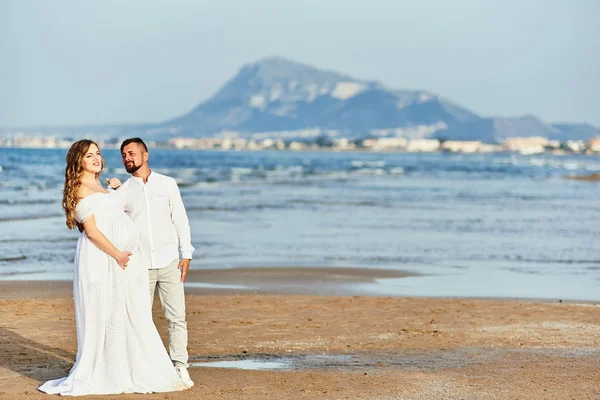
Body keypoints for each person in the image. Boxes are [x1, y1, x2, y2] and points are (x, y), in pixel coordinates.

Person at [38, 140, 190, 396]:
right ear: (79, 161)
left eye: (97, 153)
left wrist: (114, 192)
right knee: (103, 313)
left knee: (120, 313)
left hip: (118, 259)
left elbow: (115, 215)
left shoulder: (104, 186)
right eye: (89, 155)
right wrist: (118, 254)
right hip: (99, 258)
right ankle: (104, 368)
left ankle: (127, 364)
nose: (96, 158)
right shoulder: (78, 188)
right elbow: (93, 232)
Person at [107, 137, 195, 387]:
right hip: (139, 266)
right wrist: (111, 192)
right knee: (139, 319)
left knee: (177, 316)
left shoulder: (167, 184)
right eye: (123, 155)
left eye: (132, 153)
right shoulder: (122, 192)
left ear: (146, 155)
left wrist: (186, 252)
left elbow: (180, 218)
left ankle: (180, 366)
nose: (127, 158)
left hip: (169, 261)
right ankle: (143, 366)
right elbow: (109, 221)